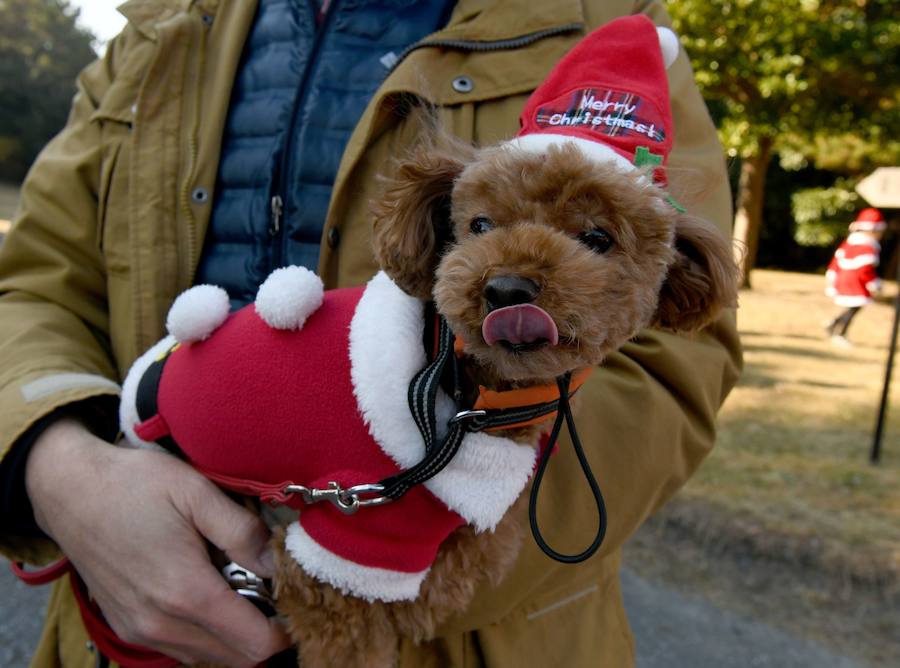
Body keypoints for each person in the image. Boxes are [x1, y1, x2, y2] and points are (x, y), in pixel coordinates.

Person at [0, 1, 741, 666]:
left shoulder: (603, 20)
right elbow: (33, 281)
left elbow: (677, 355)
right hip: (127, 626)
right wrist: (59, 467)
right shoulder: (154, 26)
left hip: (454, 644)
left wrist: (392, 567)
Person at [824, 207, 886, 347]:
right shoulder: (868, 246)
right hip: (855, 281)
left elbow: (835, 264)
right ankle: (840, 332)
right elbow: (865, 270)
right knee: (855, 307)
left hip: (843, 279)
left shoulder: (850, 243)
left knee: (853, 307)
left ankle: (834, 324)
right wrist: (874, 283)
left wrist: (832, 279)